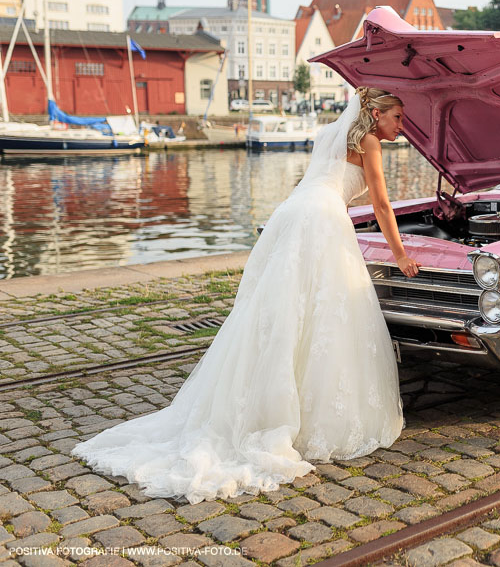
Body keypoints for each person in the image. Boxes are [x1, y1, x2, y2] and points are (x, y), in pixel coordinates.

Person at [73, 88, 419, 502]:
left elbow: (320, 180)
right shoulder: (368, 142)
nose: (402, 125)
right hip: (322, 218)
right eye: (397, 117)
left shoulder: (329, 133)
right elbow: (381, 203)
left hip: (292, 211)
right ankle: (300, 414)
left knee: (278, 309)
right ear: (376, 115)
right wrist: (400, 254)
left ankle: (262, 399)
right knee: (325, 310)